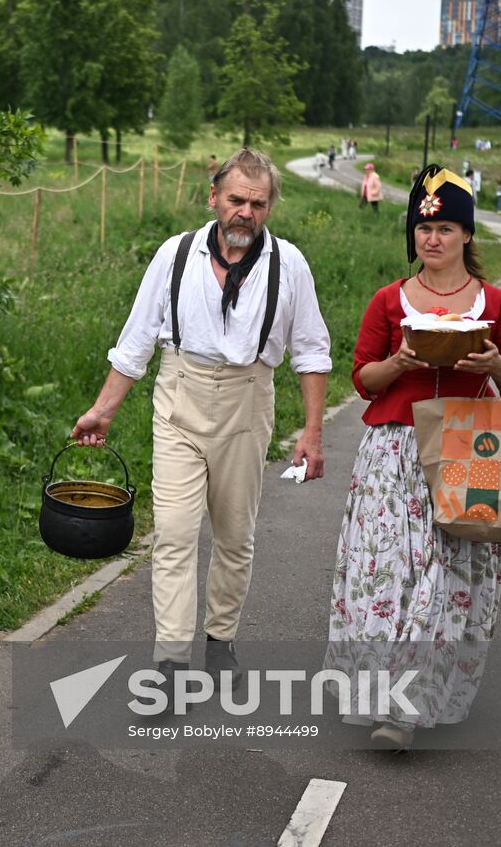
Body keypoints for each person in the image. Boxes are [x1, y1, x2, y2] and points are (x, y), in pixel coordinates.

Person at [70, 149, 331, 689]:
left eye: (258, 204)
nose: (245, 213)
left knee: (235, 536)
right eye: (236, 200)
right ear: (213, 198)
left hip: (247, 402)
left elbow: (311, 352)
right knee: (173, 533)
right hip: (179, 401)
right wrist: (103, 410)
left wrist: (312, 432)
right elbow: (137, 339)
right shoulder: (175, 255)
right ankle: (169, 662)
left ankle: (220, 640)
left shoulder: (290, 265)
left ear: (269, 208)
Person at [327, 165, 501, 750]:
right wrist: (402, 363)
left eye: (444, 227)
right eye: (423, 227)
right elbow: (364, 379)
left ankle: (410, 708)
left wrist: (493, 366)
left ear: (467, 234)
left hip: (471, 443)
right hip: (393, 448)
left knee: (446, 577)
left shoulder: (497, 302)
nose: (432, 238)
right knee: (390, 574)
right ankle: (386, 697)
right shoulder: (389, 300)